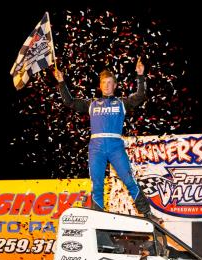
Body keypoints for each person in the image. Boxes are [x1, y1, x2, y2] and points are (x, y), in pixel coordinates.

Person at [53, 58, 162, 224]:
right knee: (97, 185)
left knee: (128, 179)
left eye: (110, 82)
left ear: (115, 86)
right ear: (100, 85)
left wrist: (140, 76)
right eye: (104, 82)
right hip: (96, 148)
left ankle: (147, 213)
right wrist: (61, 82)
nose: (106, 85)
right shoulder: (92, 103)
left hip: (115, 147)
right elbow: (70, 102)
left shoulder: (121, 103)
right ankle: (98, 220)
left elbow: (140, 96)